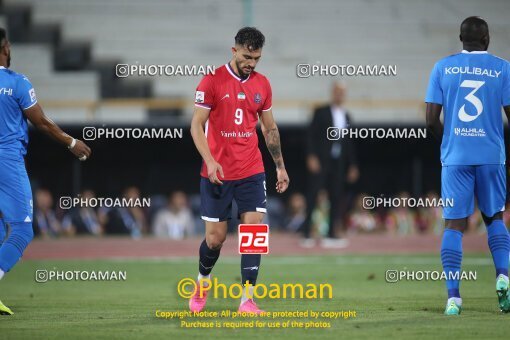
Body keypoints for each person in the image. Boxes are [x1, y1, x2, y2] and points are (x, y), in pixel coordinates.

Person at [189, 27, 289, 314]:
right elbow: (196, 125)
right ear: (234, 51)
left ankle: (247, 300)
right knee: (215, 239)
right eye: (247, 56)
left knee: (253, 230)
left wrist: (280, 167)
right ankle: (203, 282)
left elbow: (269, 128)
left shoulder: (263, 85)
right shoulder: (211, 81)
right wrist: (209, 160)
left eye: (256, 58)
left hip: (251, 169)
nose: (251, 63)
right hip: (217, 171)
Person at [0, 28, 91, 315]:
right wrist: (71, 141)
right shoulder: (16, 82)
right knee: (23, 229)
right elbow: (41, 122)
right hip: (6, 159)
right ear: (5, 47)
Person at [425, 16, 510, 315]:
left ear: (460, 39)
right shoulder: (503, 68)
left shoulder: (442, 67)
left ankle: (453, 299)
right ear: (487, 39)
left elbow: (430, 119)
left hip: (456, 157)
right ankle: (503, 277)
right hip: (490, 156)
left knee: (454, 225)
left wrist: (449, 142)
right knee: (495, 218)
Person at [302, 82, 359, 248]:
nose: (340, 95)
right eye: (337, 91)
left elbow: (349, 143)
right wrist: (311, 156)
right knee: (313, 195)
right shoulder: (321, 111)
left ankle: (331, 234)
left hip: (338, 162)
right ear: (332, 93)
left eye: (343, 92)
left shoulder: (347, 115)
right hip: (321, 160)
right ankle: (306, 234)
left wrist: (353, 164)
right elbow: (311, 135)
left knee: (336, 196)